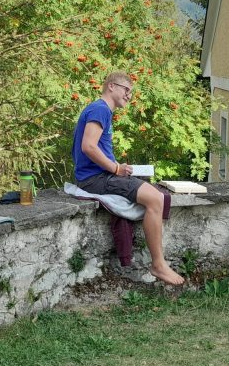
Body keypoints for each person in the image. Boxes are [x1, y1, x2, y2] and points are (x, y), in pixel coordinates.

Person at [73, 71, 185, 286]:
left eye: (131, 93)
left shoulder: (100, 109)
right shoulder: (100, 109)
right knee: (155, 198)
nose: (129, 96)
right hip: (95, 179)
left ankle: (159, 264)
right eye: (126, 90)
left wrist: (118, 168)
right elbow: (88, 146)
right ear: (111, 86)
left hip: (99, 175)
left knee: (153, 194)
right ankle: (158, 265)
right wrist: (116, 168)